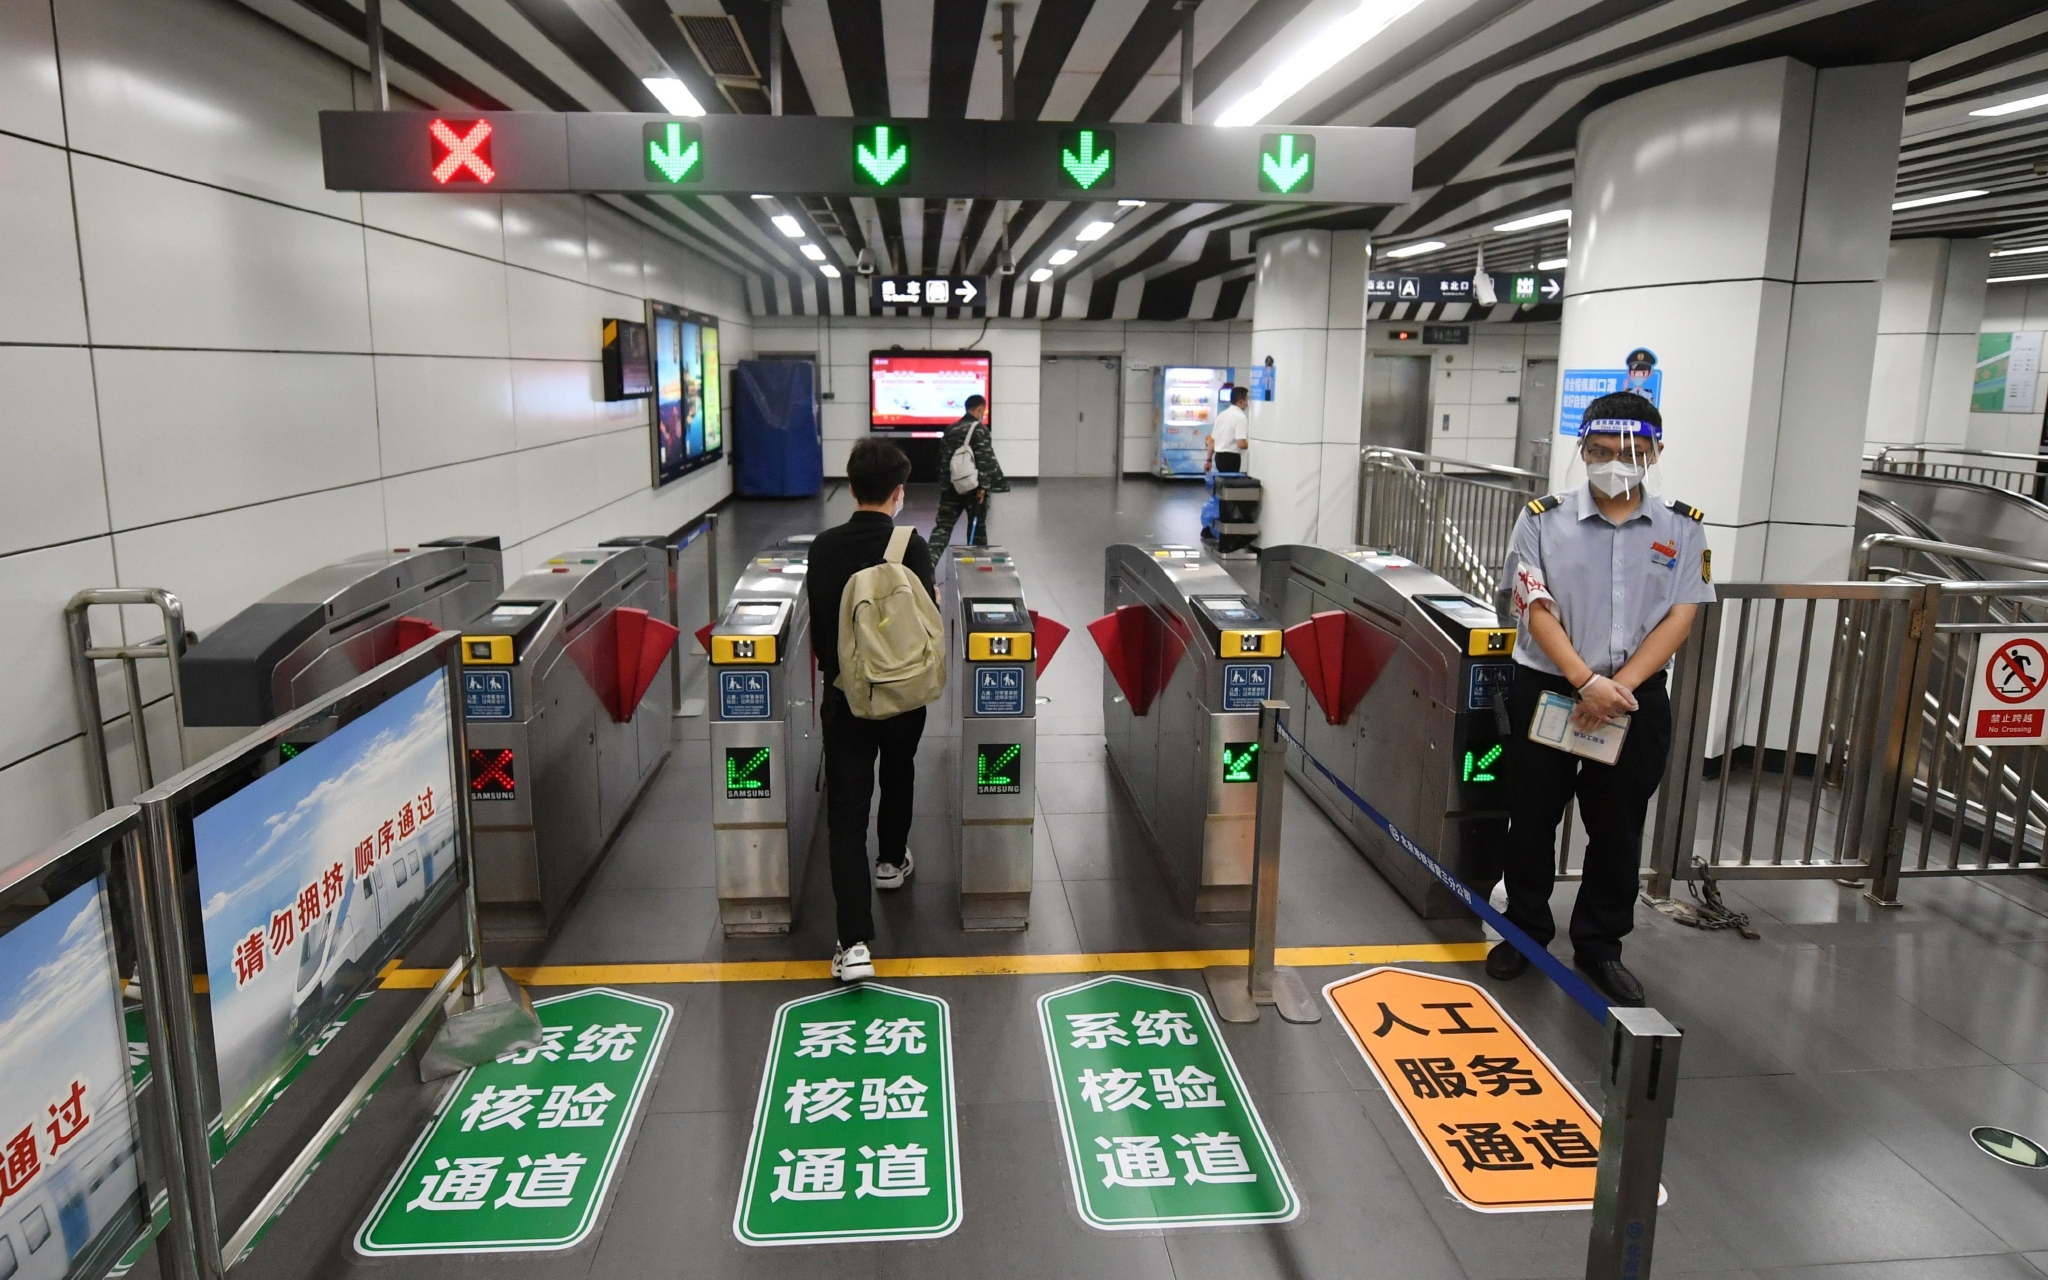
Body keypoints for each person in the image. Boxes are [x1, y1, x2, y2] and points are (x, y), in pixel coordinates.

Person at [1489, 391, 1715, 1007]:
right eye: (1600, 450)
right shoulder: (1541, 519)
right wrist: (1585, 682)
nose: (1615, 462)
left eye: (1630, 452)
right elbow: (1533, 605)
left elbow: (1681, 614)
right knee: (1531, 817)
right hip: (1549, 687)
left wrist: (1617, 688)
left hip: (1633, 698)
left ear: (1655, 453)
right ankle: (1524, 931)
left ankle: (1600, 944)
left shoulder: (1683, 527)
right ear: (1583, 450)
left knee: (1618, 826)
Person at [806, 437, 938, 982]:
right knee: (899, 770)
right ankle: (890, 860)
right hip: (902, 693)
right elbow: (927, 621)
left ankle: (854, 942)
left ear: (851, 487)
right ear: (898, 492)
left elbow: (821, 632)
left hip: (847, 697)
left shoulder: (824, 547)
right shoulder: (912, 545)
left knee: (846, 810)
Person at [929, 395, 1006, 548]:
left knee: (943, 528)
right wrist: (984, 487)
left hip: (952, 487)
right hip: (974, 489)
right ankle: (976, 561)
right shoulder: (980, 430)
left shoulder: (950, 429)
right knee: (976, 531)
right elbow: (984, 459)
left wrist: (945, 487)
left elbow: (942, 460)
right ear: (980, 409)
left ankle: (928, 560)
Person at [1207, 384, 1250, 473]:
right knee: (1231, 481)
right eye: (1247, 400)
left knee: (1223, 480)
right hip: (1231, 458)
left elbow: (1212, 441)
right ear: (1241, 401)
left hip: (1219, 457)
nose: (1248, 403)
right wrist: (1254, 444)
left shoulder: (1221, 415)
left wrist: (1208, 460)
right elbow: (1241, 444)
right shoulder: (1240, 417)